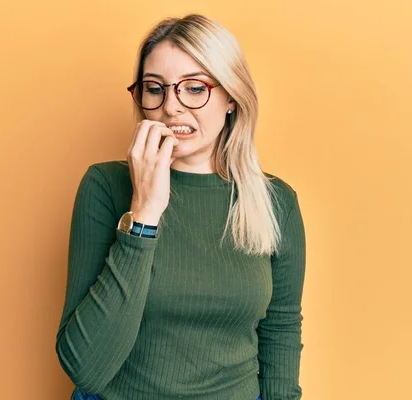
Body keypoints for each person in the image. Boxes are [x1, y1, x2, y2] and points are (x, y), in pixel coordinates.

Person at [55, 13, 306, 400]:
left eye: (193, 88)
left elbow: (281, 330)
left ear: (230, 97)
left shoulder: (276, 203)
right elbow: (86, 366)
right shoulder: (105, 186)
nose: (171, 107)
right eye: (155, 89)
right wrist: (144, 213)